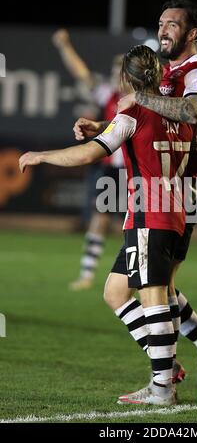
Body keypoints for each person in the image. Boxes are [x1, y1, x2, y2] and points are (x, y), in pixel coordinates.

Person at [19, 45, 197, 405]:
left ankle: (163, 385)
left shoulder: (131, 113)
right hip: (177, 208)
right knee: (117, 292)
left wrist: (40, 155)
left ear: (125, 79)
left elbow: (89, 152)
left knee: (153, 297)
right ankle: (177, 360)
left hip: (150, 212)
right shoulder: (182, 113)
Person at [73, 0, 197, 401]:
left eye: (172, 25)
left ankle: (166, 379)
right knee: (122, 291)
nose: (163, 30)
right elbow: (155, 119)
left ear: (191, 33)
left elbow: (190, 112)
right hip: (162, 186)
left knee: (157, 291)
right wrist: (109, 124)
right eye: (161, 23)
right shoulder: (169, 72)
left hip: (183, 187)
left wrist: (137, 102)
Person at [52, 29, 125, 290]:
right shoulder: (109, 96)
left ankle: (145, 278)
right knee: (99, 217)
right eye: (115, 71)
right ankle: (87, 274)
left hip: (140, 171)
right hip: (113, 171)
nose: (116, 76)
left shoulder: (145, 101)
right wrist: (64, 47)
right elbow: (81, 74)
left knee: (141, 226)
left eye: (121, 71)